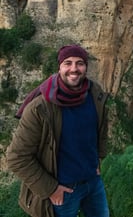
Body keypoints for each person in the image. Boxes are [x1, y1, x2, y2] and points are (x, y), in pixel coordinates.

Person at [6, 44, 110, 217]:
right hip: (63, 190)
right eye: (68, 63)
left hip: (93, 181)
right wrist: (51, 189)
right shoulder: (39, 108)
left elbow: (100, 128)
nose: (74, 69)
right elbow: (16, 158)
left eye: (80, 63)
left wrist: (98, 158)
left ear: (86, 67)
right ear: (59, 67)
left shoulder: (93, 93)